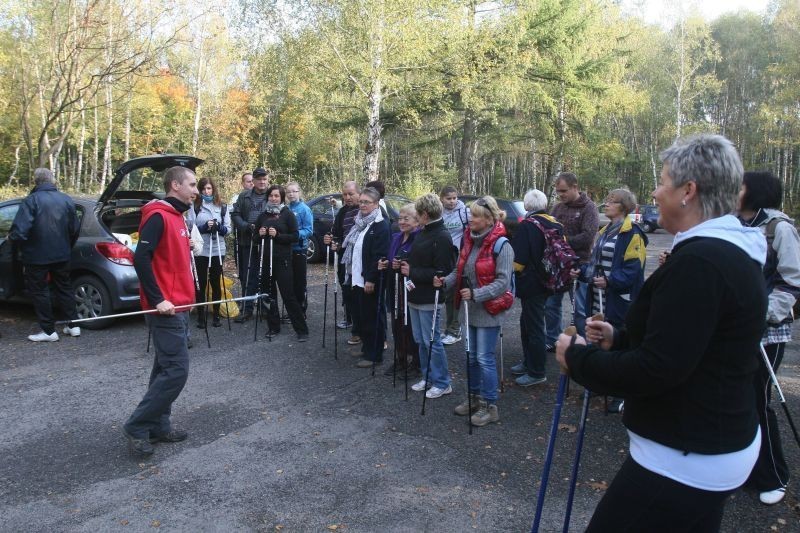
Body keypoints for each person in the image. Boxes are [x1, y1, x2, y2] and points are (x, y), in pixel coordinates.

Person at [556, 134, 767, 531]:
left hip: (687, 455)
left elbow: (657, 370)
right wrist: (619, 339)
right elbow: (694, 344)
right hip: (706, 445)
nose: (654, 192)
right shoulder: (722, 252)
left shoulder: (703, 262)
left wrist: (579, 358)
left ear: (688, 191)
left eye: (663, 181)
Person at [123, 166, 199, 457]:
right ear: (175, 185)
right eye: (191, 185)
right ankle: (138, 425)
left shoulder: (177, 216)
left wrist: (186, 245)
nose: (195, 190)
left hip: (180, 305)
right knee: (177, 370)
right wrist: (157, 300)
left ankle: (159, 425)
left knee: (164, 368)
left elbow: (167, 258)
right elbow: (141, 258)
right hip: (165, 309)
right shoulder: (157, 215)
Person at [738, 170, 800, 506]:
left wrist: (762, 314)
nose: (735, 190)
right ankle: (743, 468)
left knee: (757, 400)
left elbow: (792, 280)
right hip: (734, 330)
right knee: (735, 398)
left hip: (766, 332)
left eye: (741, 186)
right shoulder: (733, 223)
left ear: (756, 192)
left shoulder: (779, 228)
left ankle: (774, 475)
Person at [439, 196, 513, 426]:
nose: (470, 219)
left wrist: (478, 294)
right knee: (470, 357)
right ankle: (473, 398)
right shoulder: (470, 241)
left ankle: (490, 406)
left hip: (488, 310)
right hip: (468, 309)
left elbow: (503, 282)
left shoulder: (503, 245)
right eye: (470, 214)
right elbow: (459, 270)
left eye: (475, 216)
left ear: (489, 219)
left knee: (484, 358)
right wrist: (445, 281)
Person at [585, 188, 647, 412]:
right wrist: (584, 273)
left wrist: (610, 281)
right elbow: (595, 262)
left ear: (623, 206)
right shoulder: (604, 231)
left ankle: (621, 393)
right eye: (607, 201)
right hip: (599, 296)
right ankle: (603, 383)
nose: (606, 205)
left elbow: (634, 269)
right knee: (601, 338)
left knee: (620, 343)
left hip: (620, 299)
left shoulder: (633, 234)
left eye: (611, 202)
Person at [9, 167, 80, 342]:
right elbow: (74, 229)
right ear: (52, 180)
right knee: (64, 288)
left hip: (37, 256)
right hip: (62, 254)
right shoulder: (66, 200)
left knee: (40, 291)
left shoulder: (31, 201)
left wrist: (13, 242)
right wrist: (66, 246)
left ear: (36, 181)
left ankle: (48, 331)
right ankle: (73, 325)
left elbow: (20, 231)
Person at [400, 193, 456, 399]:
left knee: (432, 340)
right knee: (420, 340)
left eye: (417, 213)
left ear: (424, 214)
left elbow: (442, 271)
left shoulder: (442, 236)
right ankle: (428, 376)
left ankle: (442, 382)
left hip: (430, 297)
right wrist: (405, 262)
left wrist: (411, 272)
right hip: (415, 294)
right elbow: (419, 259)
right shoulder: (424, 231)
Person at [510, 189, 563, 387]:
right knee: (529, 323)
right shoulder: (555, 223)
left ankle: (536, 370)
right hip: (549, 281)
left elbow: (518, 260)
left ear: (526, 206)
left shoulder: (527, 226)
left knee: (533, 327)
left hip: (531, 283)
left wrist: (510, 274)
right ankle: (528, 362)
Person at [336, 186, 390, 368]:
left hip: (369, 279)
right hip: (356, 277)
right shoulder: (360, 223)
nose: (362, 205)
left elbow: (379, 255)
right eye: (361, 202)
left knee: (372, 317)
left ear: (376, 204)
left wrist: (371, 279)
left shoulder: (380, 225)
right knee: (362, 316)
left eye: (367, 202)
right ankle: (367, 347)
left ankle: (374, 355)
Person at [545, 172, 598, 347]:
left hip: (580, 264)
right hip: (558, 266)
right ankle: (553, 340)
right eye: (558, 191)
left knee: (580, 309)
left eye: (564, 191)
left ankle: (583, 343)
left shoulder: (588, 207)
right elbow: (548, 230)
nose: (561, 195)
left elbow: (588, 236)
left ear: (575, 187)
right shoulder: (557, 208)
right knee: (552, 305)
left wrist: (563, 242)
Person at [255, 184, 309, 341]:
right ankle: (273, 327)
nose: (273, 198)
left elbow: (294, 236)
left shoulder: (288, 214)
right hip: (266, 260)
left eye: (277, 196)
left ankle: (301, 330)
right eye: (271, 196)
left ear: (282, 198)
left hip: (283, 260)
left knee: (288, 295)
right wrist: (259, 234)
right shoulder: (263, 216)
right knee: (269, 295)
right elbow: (255, 239)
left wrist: (278, 235)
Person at [378, 203, 421, 376]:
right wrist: (386, 263)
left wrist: (405, 263)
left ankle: (415, 362)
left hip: (410, 290)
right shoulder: (396, 237)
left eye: (406, 218)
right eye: (400, 218)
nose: (401, 221)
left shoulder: (419, 238)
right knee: (396, 323)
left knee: (410, 325)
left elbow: (418, 263)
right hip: (394, 286)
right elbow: (391, 258)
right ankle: (401, 358)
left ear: (417, 221)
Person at [187, 177, 232, 328]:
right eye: (204, 189)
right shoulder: (195, 207)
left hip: (218, 249)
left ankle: (216, 315)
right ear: (199, 191)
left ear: (213, 189)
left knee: (215, 281)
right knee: (200, 282)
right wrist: (205, 227)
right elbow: (190, 228)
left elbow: (228, 229)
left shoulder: (223, 206)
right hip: (201, 249)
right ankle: (201, 316)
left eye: (209, 188)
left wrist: (218, 227)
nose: (207, 191)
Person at [232, 167, 272, 321]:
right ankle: (247, 309)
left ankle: (265, 307)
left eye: (264, 179)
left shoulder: (273, 195)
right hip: (247, 241)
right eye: (259, 179)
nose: (262, 181)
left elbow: (281, 214)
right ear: (253, 181)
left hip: (266, 243)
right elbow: (235, 214)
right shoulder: (244, 196)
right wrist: (245, 226)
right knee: (248, 276)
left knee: (266, 276)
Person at [324, 181, 361, 340]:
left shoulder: (364, 210)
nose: (347, 197)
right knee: (347, 291)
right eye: (345, 194)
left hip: (359, 259)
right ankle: (352, 321)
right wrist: (331, 240)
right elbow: (337, 234)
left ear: (359, 193)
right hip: (344, 258)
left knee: (359, 294)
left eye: (351, 194)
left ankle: (361, 328)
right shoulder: (342, 212)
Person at [440, 186, 470, 346]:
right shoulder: (440, 213)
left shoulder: (465, 212)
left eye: (454, 198)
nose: (452, 201)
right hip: (445, 257)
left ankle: (455, 329)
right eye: (448, 198)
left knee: (456, 293)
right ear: (442, 199)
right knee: (448, 294)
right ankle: (449, 328)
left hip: (460, 257)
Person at [286, 181, 313, 315]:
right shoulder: (286, 209)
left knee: (299, 283)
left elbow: (309, 230)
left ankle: (301, 311)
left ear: (299, 192)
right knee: (288, 282)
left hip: (299, 250)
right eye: (288, 192)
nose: (291, 194)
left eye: (294, 191)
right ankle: (292, 311)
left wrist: (295, 235)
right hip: (286, 250)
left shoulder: (304, 209)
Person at [230, 172, 253, 287]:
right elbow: (234, 217)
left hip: (255, 239)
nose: (251, 184)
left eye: (253, 181)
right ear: (243, 183)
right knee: (243, 268)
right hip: (241, 238)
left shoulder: (261, 197)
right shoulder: (237, 198)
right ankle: (245, 293)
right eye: (248, 181)